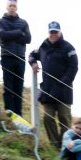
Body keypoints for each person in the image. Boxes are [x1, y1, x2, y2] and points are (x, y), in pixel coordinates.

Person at [28, 21, 77, 151]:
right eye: (51, 32)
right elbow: (32, 54)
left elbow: (74, 67)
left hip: (63, 92)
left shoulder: (69, 48)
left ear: (60, 32)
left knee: (65, 120)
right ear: (48, 32)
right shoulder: (44, 46)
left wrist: (63, 81)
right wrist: (33, 62)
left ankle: (65, 148)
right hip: (47, 91)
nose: (54, 34)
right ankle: (55, 147)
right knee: (47, 118)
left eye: (56, 32)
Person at [0, 0, 30, 116]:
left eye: (14, 6)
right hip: (7, 57)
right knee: (8, 88)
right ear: (6, 7)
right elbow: (2, 35)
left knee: (18, 88)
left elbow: (28, 39)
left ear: (17, 7)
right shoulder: (0, 21)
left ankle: (18, 115)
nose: (12, 8)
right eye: (10, 6)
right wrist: (19, 33)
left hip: (20, 58)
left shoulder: (23, 22)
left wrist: (11, 35)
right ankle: (9, 114)